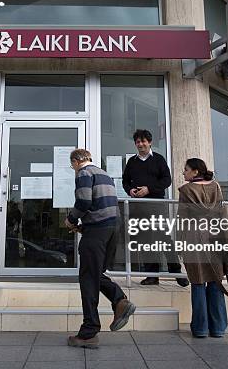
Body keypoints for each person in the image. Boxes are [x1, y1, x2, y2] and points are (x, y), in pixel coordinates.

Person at [65, 149, 136, 348]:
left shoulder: (84, 173)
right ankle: (119, 300)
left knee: (87, 277)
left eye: (72, 165)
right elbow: (102, 206)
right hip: (112, 228)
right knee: (94, 273)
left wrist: (71, 220)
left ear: (77, 161)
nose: (73, 169)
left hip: (97, 231)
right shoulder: (104, 174)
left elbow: (85, 201)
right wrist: (85, 226)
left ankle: (89, 332)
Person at [122, 129, 188, 287]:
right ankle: (152, 276)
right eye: (138, 142)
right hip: (138, 207)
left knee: (163, 239)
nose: (140, 144)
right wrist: (130, 190)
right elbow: (125, 181)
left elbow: (167, 180)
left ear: (150, 142)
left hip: (157, 206)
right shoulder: (131, 161)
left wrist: (149, 189)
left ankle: (177, 273)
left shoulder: (158, 159)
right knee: (145, 241)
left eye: (143, 141)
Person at [177, 158, 228, 338]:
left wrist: (178, 243)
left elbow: (182, 219)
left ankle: (200, 328)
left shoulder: (186, 190)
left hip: (194, 239)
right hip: (215, 237)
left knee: (198, 282)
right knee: (215, 281)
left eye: (186, 170)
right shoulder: (216, 187)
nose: (183, 173)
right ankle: (218, 327)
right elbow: (223, 213)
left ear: (195, 172)